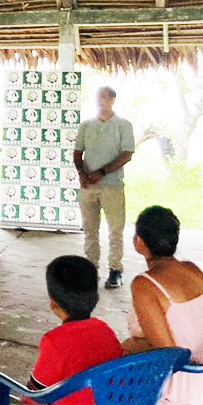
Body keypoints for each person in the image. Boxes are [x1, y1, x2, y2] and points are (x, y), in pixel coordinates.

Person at [122, 206, 203, 405]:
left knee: (115, 362)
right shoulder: (192, 269)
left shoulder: (145, 284)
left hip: (189, 387)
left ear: (138, 242)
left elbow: (167, 353)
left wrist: (127, 346)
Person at [9, 255, 121, 405]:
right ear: (96, 298)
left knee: (0, 403)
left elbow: (36, 398)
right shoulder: (106, 331)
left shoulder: (54, 341)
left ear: (52, 303)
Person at [73, 86, 135, 289]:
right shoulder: (86, 125)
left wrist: (102, 172)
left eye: (106, 98)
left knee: (115, 230)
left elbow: (127, 154)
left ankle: (115, 270)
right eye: (99, 97)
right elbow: (77, 152)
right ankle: (91, 268)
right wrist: (81, 173)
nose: (102, 101)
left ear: (113, 100)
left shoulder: (123, 125)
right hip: (88, 187)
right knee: (90, 229)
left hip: (112, 186)